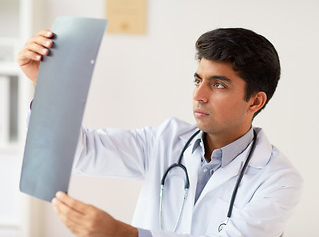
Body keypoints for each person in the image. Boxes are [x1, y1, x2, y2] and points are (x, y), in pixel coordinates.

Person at [17, 28, 303, 237]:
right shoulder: (165, 140)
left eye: (218, 85)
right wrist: (49, 86)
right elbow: (79, 152)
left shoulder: (278, 180)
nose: (198, 95)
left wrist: (124, 234)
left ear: (255, 101)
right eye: (197, 80)